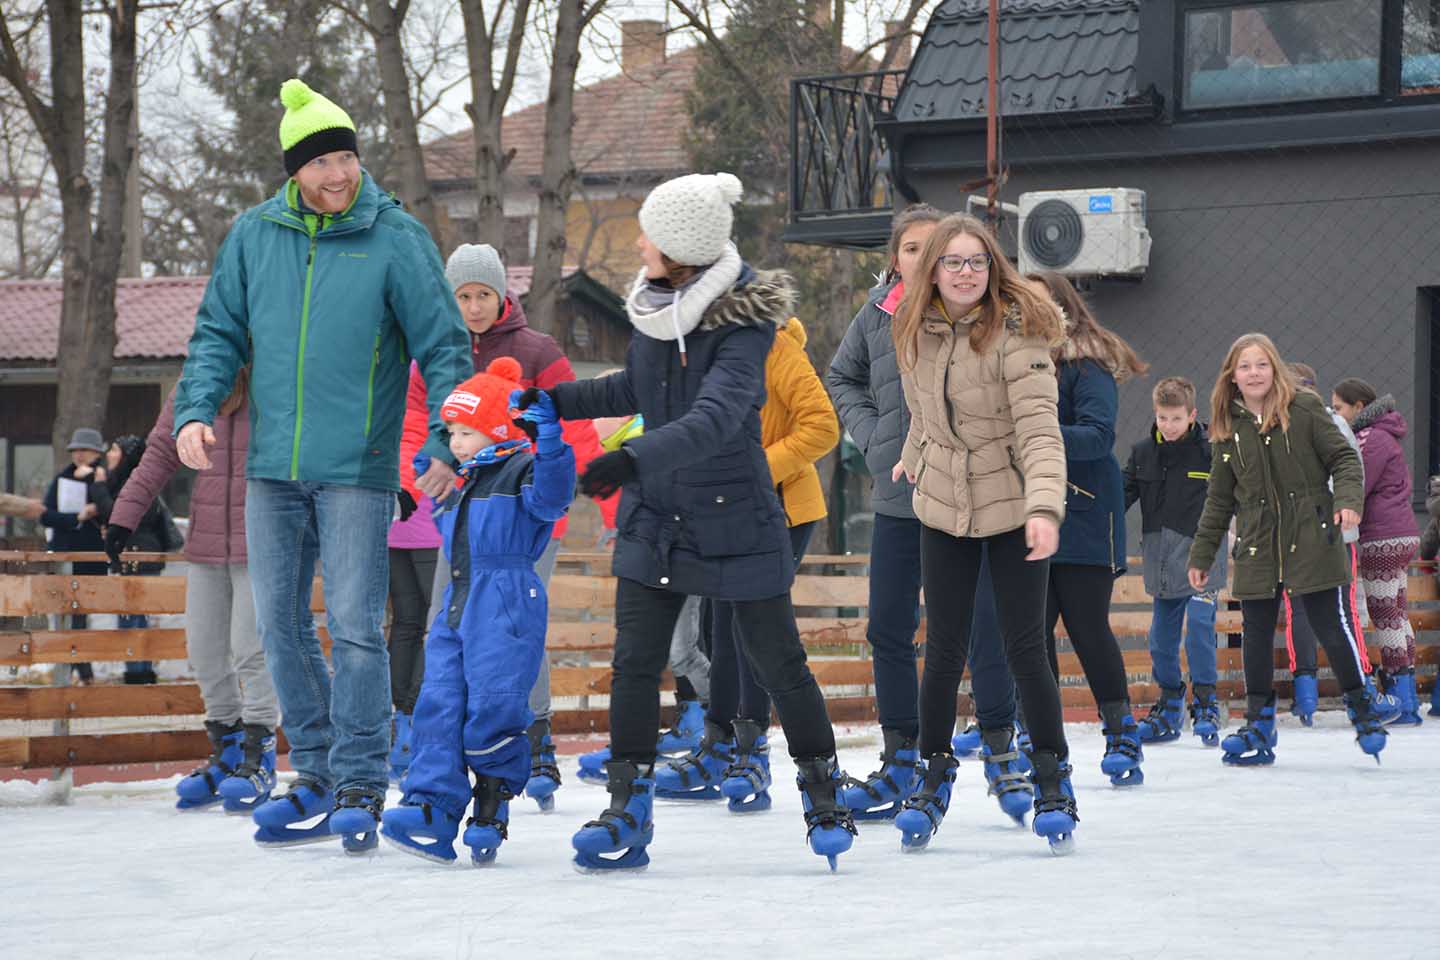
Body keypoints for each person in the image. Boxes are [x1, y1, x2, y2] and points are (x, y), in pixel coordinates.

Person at [518, 172, 856, 871]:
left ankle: (823, 793)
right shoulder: (657, 309)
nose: (638, 242)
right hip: (658, 519)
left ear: (680, 248)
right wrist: (555, 400)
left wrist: (630, 458)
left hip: (736, 517)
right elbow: (636, 387)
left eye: (648, 233)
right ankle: (626, 809)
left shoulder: (744, 326)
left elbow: (715, 418)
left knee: (780, 663)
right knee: (635, 662)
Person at [173, 78, 471, 854]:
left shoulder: (393, 236)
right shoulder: (254, 235)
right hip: (273, 466)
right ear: (293, 170)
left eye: (346, 156)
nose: (338, 174)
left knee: (353, 627)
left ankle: (364, 777)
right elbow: (217, 334)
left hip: (359, 467)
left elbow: (443, 346)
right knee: (277, 624)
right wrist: (195, 410)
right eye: (322, 162)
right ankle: (312, 768)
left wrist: (446, 437)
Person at [888, 213, 1077, 854]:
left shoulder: (1017, 334)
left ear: (992, 268)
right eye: (953, 262)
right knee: (941, 650)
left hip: (1011, 504)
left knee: (1026, 648)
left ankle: (1052, 778)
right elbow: (925, 406)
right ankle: (932, 774)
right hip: (943, 504)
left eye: (977, 262)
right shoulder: (912, 328)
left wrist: (1044, 510)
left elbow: (1040, 432)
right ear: (933, 269)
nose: (965, 273)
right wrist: (914, 452)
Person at [406, 243, 618, 811]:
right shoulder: (434, 350)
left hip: (524, 515)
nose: (473, 308)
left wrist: (610, 505)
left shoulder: (537, 350)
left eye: (483, 295)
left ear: (502, 296)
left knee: (514, 626)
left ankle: (536, 734)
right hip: (458, 513)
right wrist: (413, 484)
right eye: (463, 296)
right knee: (445, 625)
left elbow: (573, 429)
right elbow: (414, 426)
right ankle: (444, 748)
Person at [379, 358, 575, 865]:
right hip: (458, 603)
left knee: (495, 704)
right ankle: (433, 807)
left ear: (496, 430)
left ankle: (491, 803)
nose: (456, 442)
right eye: (452, 432)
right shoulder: (465, 481)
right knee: (438, 702)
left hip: (505, 603)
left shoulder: (524, 469)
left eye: (467, 432)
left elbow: (555, 498)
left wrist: (551, 440)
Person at [655, 311, 839, 812]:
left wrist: (757, 469)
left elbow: (822, 426)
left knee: (750, 627)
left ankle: (750, 751)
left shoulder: (777, 349)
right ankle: (720, 745)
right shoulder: (695, 353)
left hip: (780, 509)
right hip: (720, 511)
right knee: (718, 625)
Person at [1187, 333, 1388, 766]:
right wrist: (1203, 555)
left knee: (1329, 625)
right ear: (1233, 376)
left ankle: (1362, 707)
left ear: (1274, 368)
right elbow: (1220, 499)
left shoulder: (1305, 408)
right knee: (1255, 630)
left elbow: (1345, 460)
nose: (1254, 373)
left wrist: (1348, 502)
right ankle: (1260, 722)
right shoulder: (1227, 426)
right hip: (1259, 541)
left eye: (1261, 364)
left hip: (1312, 532)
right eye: (1245, 366)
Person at [107, 370, 279, 812]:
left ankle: (260, 757)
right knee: (202, 649)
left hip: (261, 537)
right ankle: (228, 751)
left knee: (251, 648)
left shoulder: (278, 364)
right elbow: (162, 450)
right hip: (204, 542)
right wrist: (124, 516)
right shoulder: (199, 377)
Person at [1031, 272, 1150, 787]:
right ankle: (1040, 737)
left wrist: (1034, 431)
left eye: (1035, 303)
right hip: (1029, 512)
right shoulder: (1014, 362)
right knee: (1030, 635)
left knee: (1085, 626)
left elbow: (1098, 437)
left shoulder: (1086, 362)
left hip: (1082, 514)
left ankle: (1121, 730)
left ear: (1059, 308)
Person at [1122, 376, 1226, 746]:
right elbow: (1122, 496)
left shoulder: (1211, 452)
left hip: (1202, 559)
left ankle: (1206, 703)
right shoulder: (1142, 453)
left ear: (1192, 415)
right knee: (1161, 641)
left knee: (1199, 627)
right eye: (1162, 418)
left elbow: (1232, 496)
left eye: (1176, 419)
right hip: (1162, 561)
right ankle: (1169, 703)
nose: (1168, 426)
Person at [1283, 363, 1378, 725]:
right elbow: (1353, 473)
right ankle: (1340, 690)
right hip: (1320, 532)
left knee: (1325, 611)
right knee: (1330, 611)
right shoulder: (1331, 423)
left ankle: (1345, 688)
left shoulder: (1317, 424)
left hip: (1329, 533)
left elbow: (1349, 473)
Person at [1331, 377, 1424, 724]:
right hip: (1400, 533)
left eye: (1338, 407)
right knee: (1397, 614)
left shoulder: (1370, 438)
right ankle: (1408, 696)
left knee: (1385, 615)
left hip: (1380, 536)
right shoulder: (1385, 434)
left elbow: (1356, 483)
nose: (1335, 414)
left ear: (1358, 407)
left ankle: (1400, 699)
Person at [100, 434, 182, 686]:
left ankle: (138, 672)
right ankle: (139, 669)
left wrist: (97, 488)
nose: (109, 455)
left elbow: (114, 512)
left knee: (134, 616)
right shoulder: (126, 480)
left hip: (139, 556)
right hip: (135, 555)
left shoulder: (130, 482)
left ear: (125, 455)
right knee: (135, 615)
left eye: (114, 450)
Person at [40, 427, 112, 686]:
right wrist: (76, 517)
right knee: (66, 615)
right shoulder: (62, 479)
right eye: (75, 450)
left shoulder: (104, 478)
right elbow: (45, 514)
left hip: (91, 556)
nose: (79, 455)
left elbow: (112, 511)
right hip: (64, 553)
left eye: (85, 450)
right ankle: (79, 672)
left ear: (97, 453)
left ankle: (79, 672)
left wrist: (94, 483)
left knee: (80, 615)